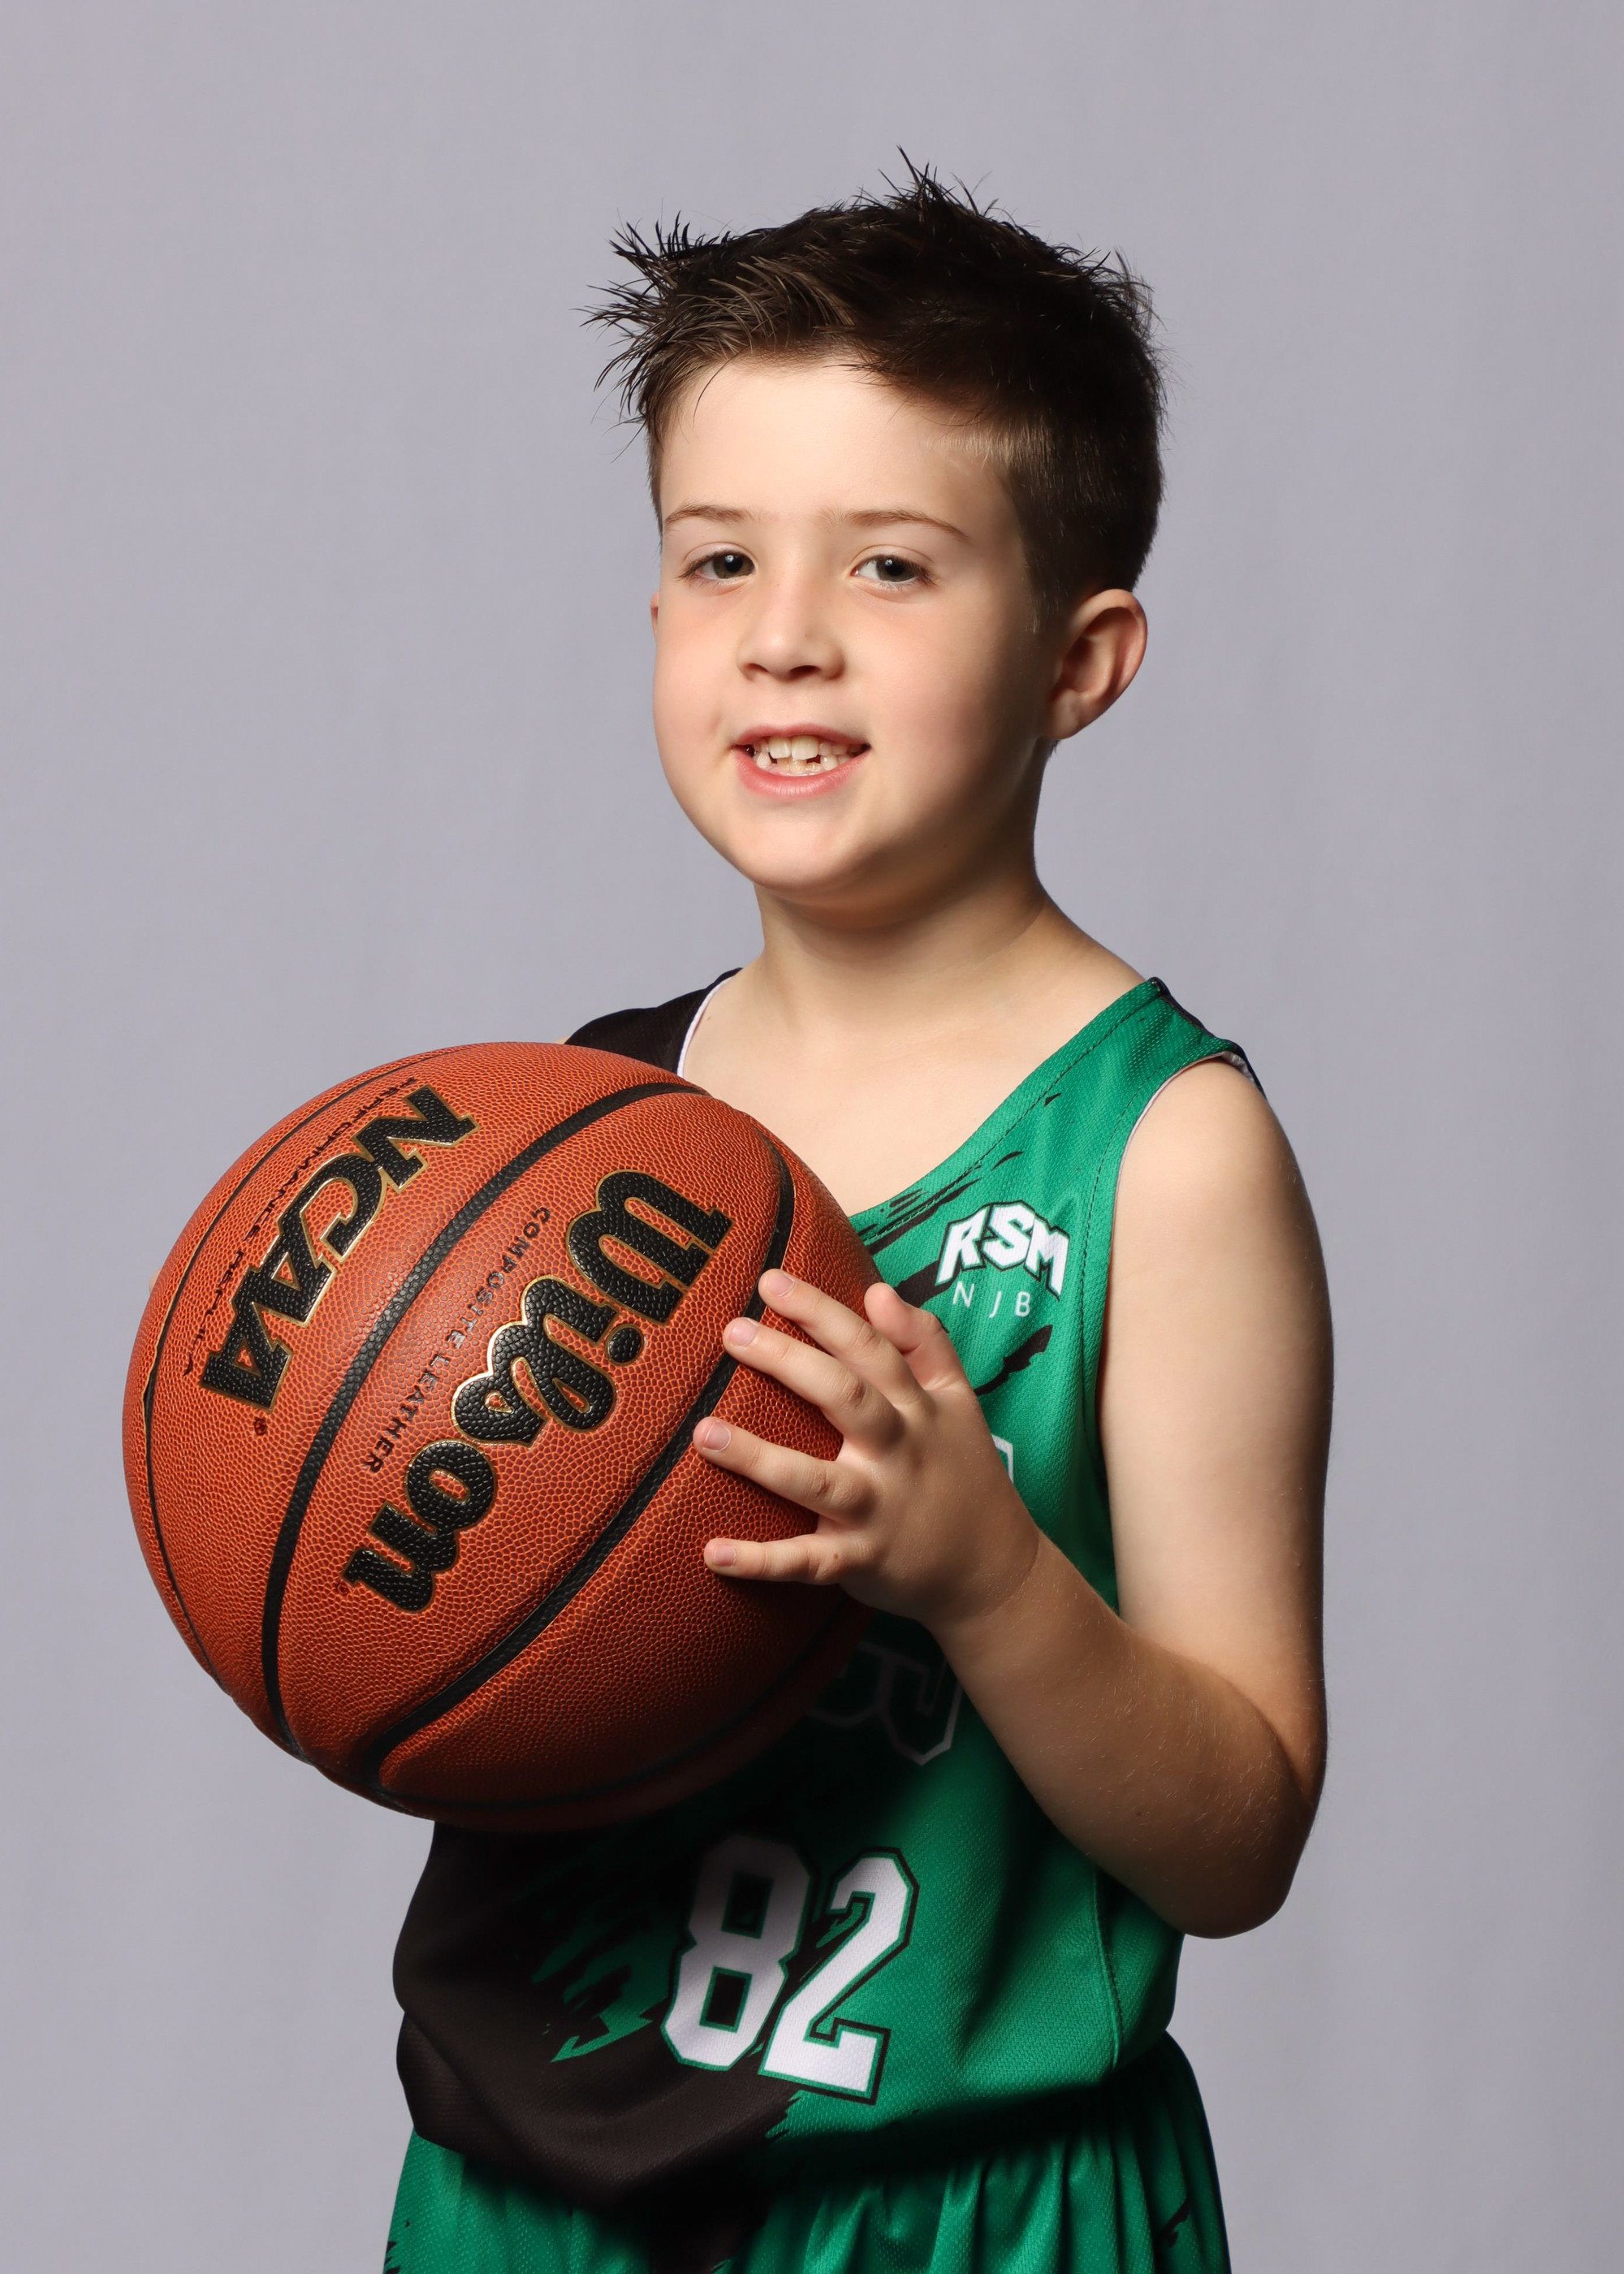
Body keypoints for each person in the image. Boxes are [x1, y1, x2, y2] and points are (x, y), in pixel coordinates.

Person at [384, 166, 1331, 2274]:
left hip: (961, 2211)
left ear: (1081, 660)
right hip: (523, 2198)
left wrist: (986, 1575)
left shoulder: (1160, 1154)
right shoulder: (585, 1123)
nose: (785, 631)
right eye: (719, 556)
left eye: (891, 563)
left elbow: (1243, 1830)